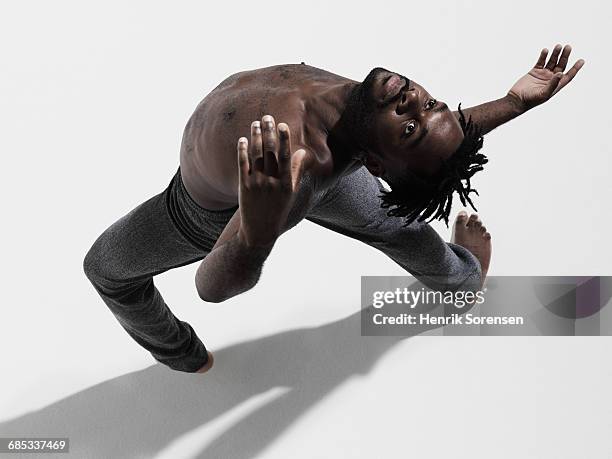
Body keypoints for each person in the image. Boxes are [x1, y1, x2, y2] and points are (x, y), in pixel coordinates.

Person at [83, 44, 584, 373]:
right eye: (428, 104)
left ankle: (182, 355)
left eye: (408, 127)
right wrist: (513, 102)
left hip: (215, 208)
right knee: (398, 226)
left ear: (375, 164)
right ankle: (462, 277)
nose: (414, 100)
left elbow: (209, 289)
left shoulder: (298, 171)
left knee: (105, 268)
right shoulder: (371, 105)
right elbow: (441, 130)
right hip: (322, 173)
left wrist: (257, 226)